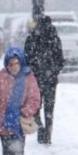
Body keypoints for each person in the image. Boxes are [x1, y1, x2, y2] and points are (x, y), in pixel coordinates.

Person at [23, 15, 64, 145]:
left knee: (35, 106)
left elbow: (26, 58)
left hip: (36, 78)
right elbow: (60, 59)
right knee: (49, 108)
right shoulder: (55, 39)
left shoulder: (32, 38)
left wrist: (33, 70)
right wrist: (54, 71)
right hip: (51, 79)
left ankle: (40, 128)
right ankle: (47, 135)